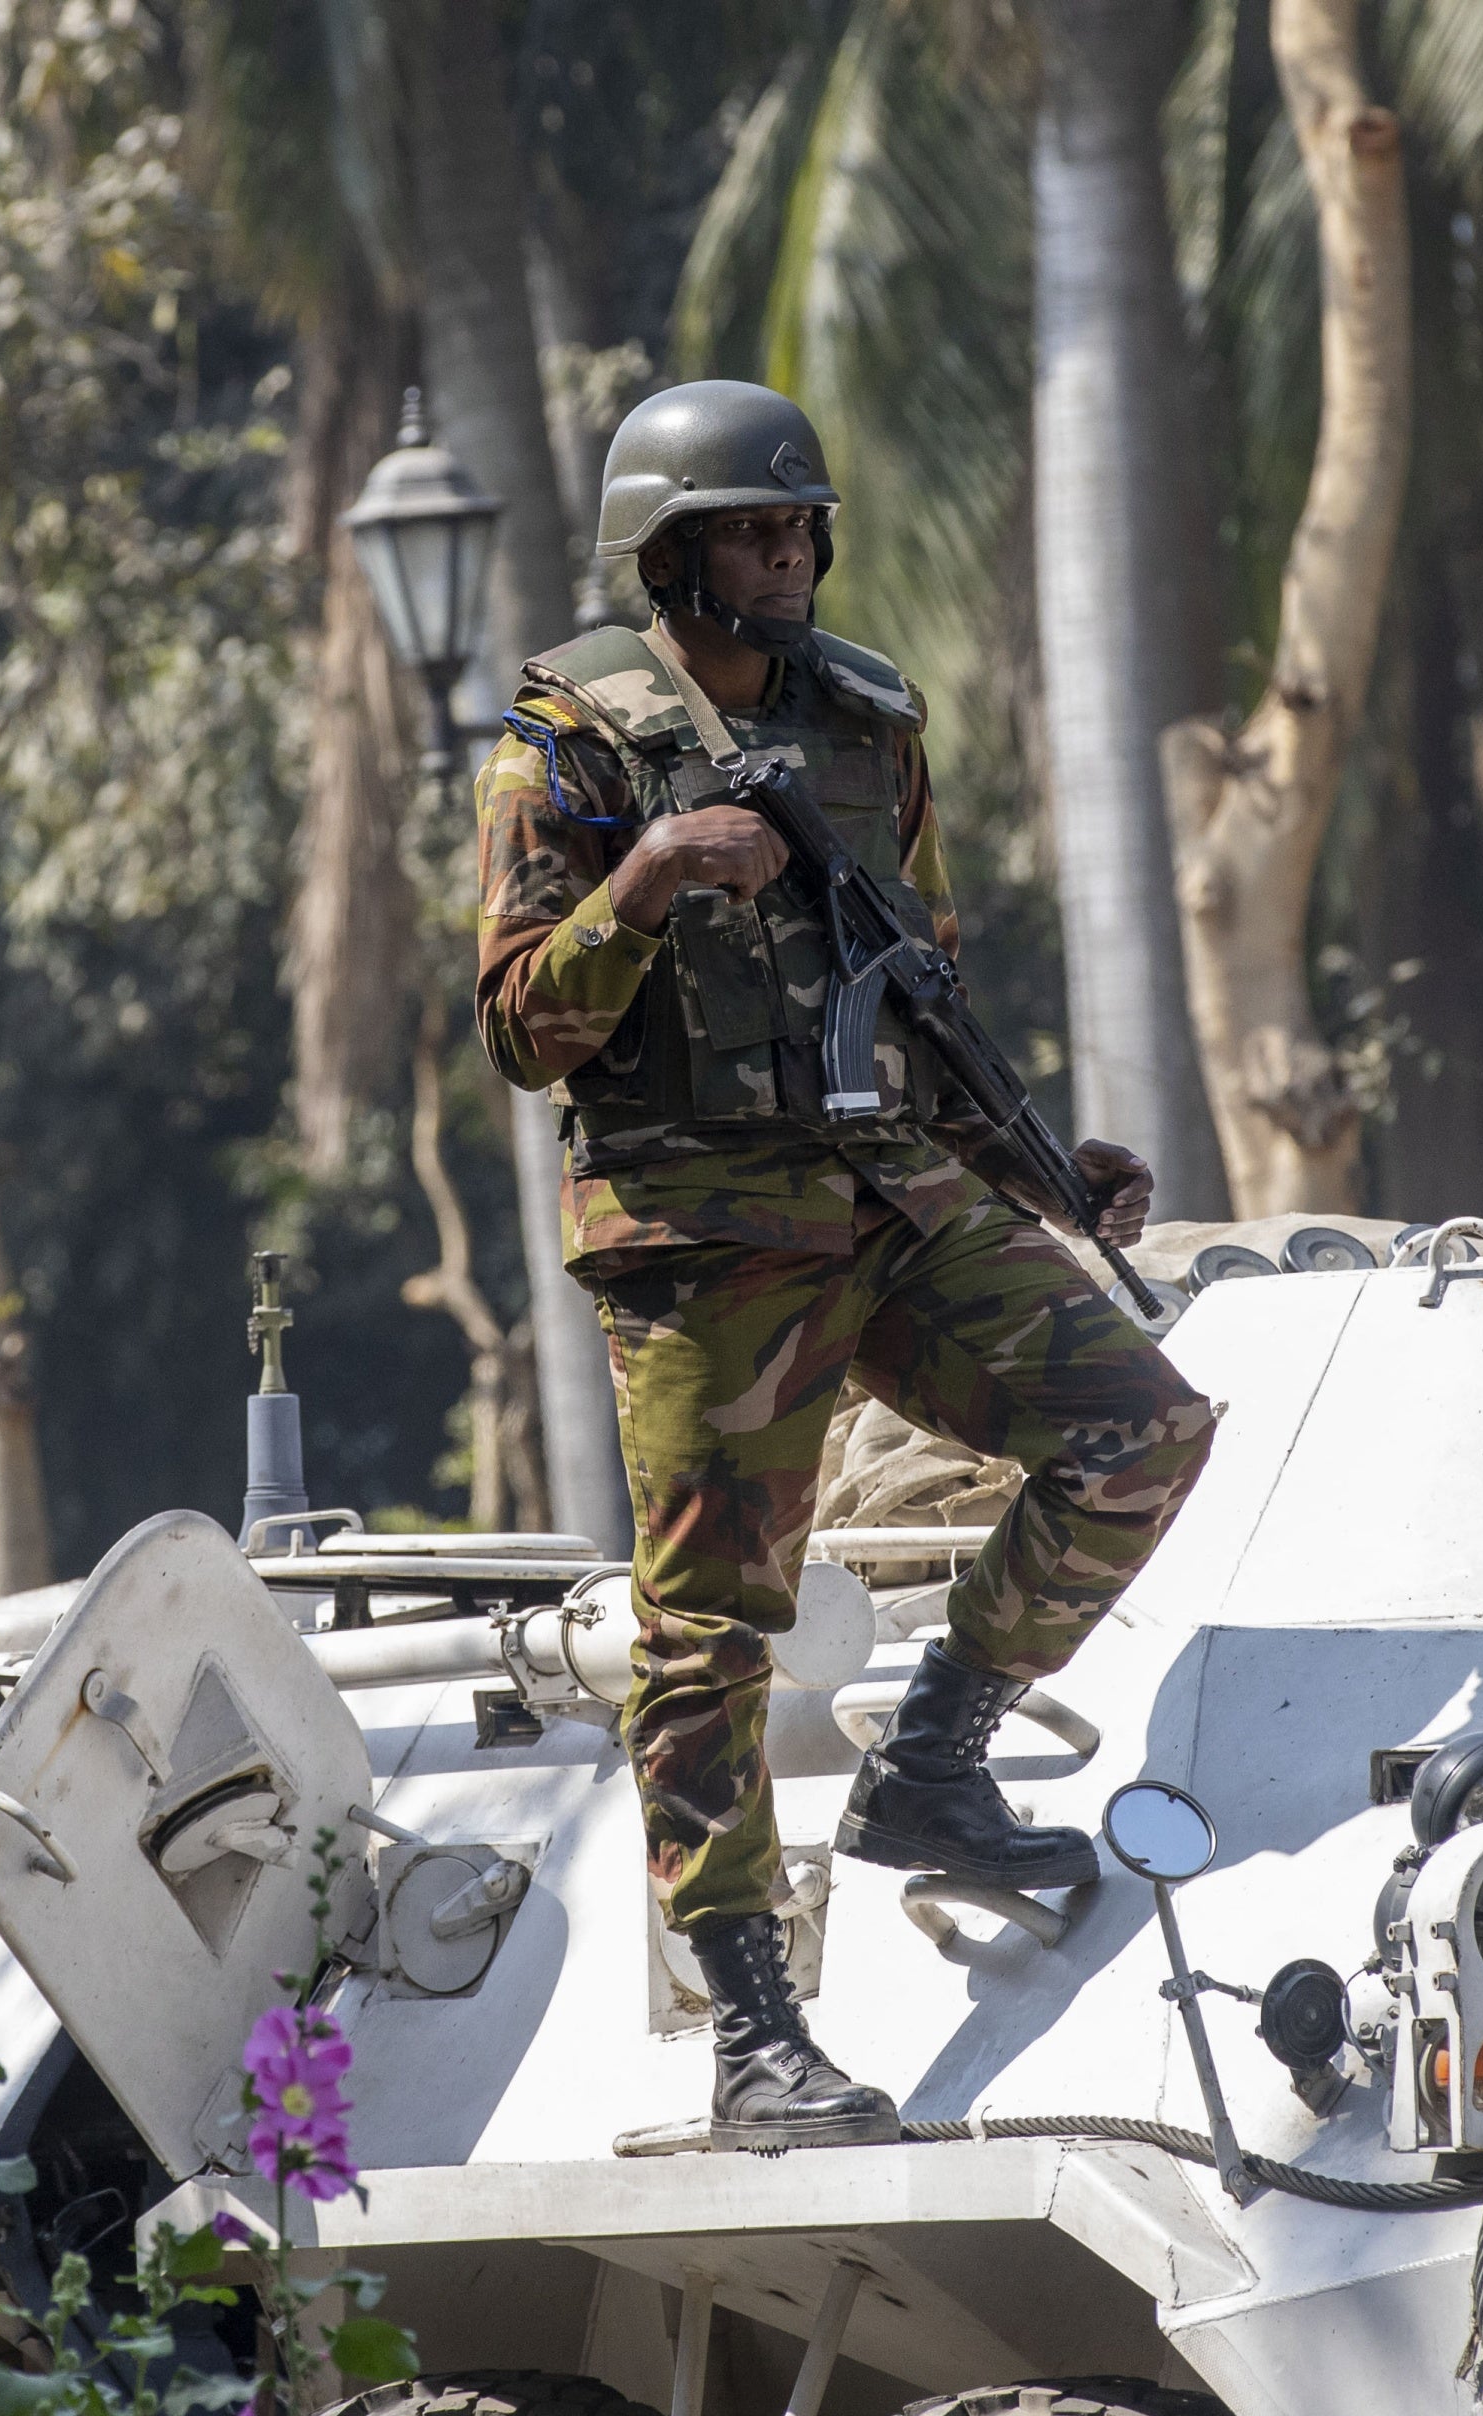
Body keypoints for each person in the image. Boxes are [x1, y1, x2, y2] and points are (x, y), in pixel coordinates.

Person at [472, 380, 1219, 2151]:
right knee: (708, 1635)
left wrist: (1037, 1171)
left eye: (803, 524)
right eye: (752, 529)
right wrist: (647, 878)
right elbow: (517, 1031)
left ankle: (935, 1766)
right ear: (667, 557)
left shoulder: (871, 723)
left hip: (887, 1197)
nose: (791, 552)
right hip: (706, 1237)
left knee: (1141, 1430)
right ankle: (751, 2033)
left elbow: (919, 983)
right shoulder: (569, 751)